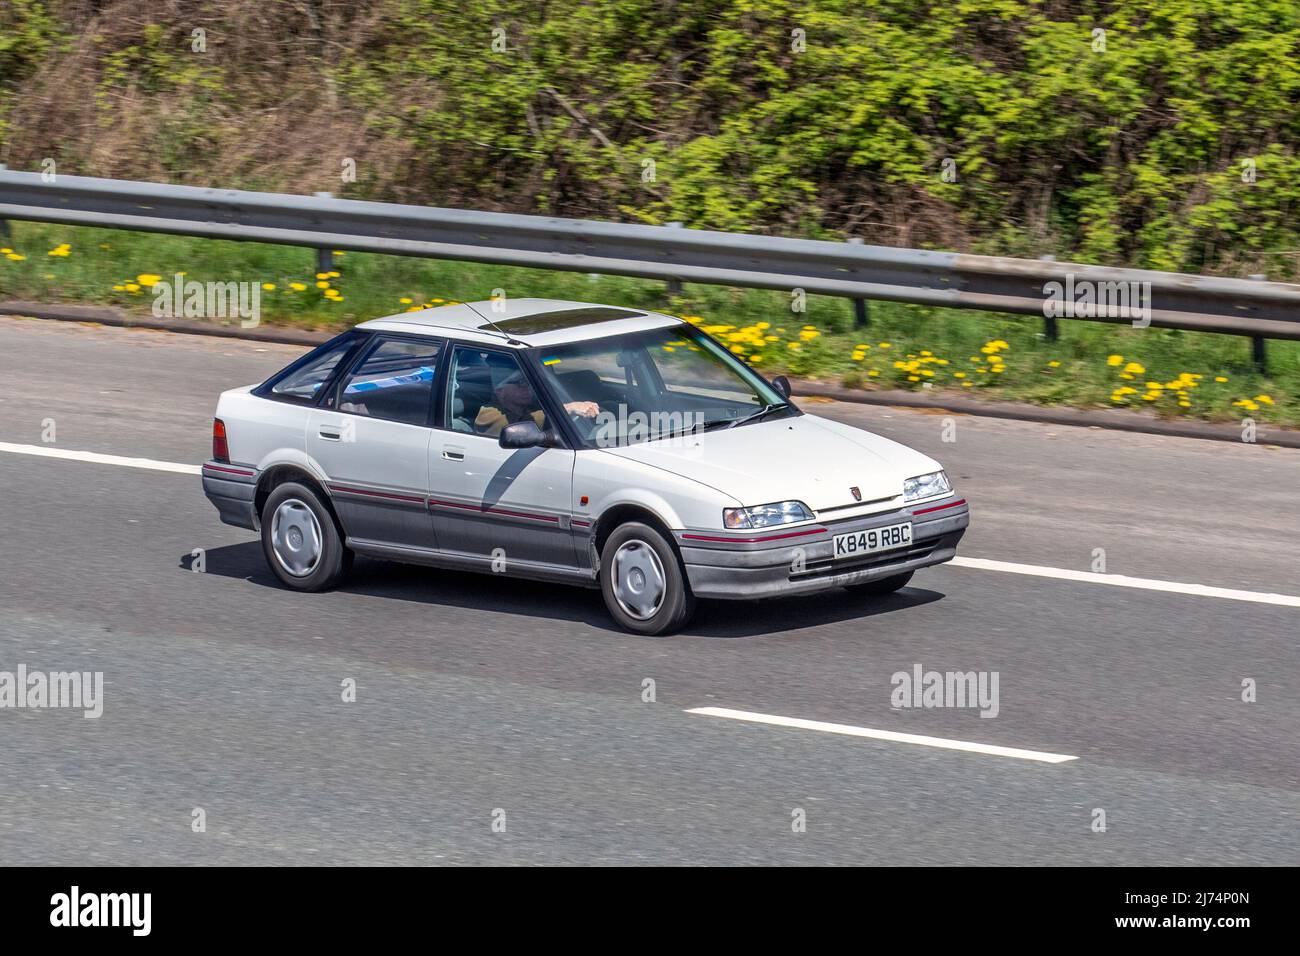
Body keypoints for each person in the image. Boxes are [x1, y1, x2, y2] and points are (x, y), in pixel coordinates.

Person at [474, 368, 599, 437]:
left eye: (528, 382)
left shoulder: (532, 405)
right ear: (499, 391)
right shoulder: (488, 413)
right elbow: (523, 425)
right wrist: (569, 408)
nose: (527, 387)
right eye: (519, 383)